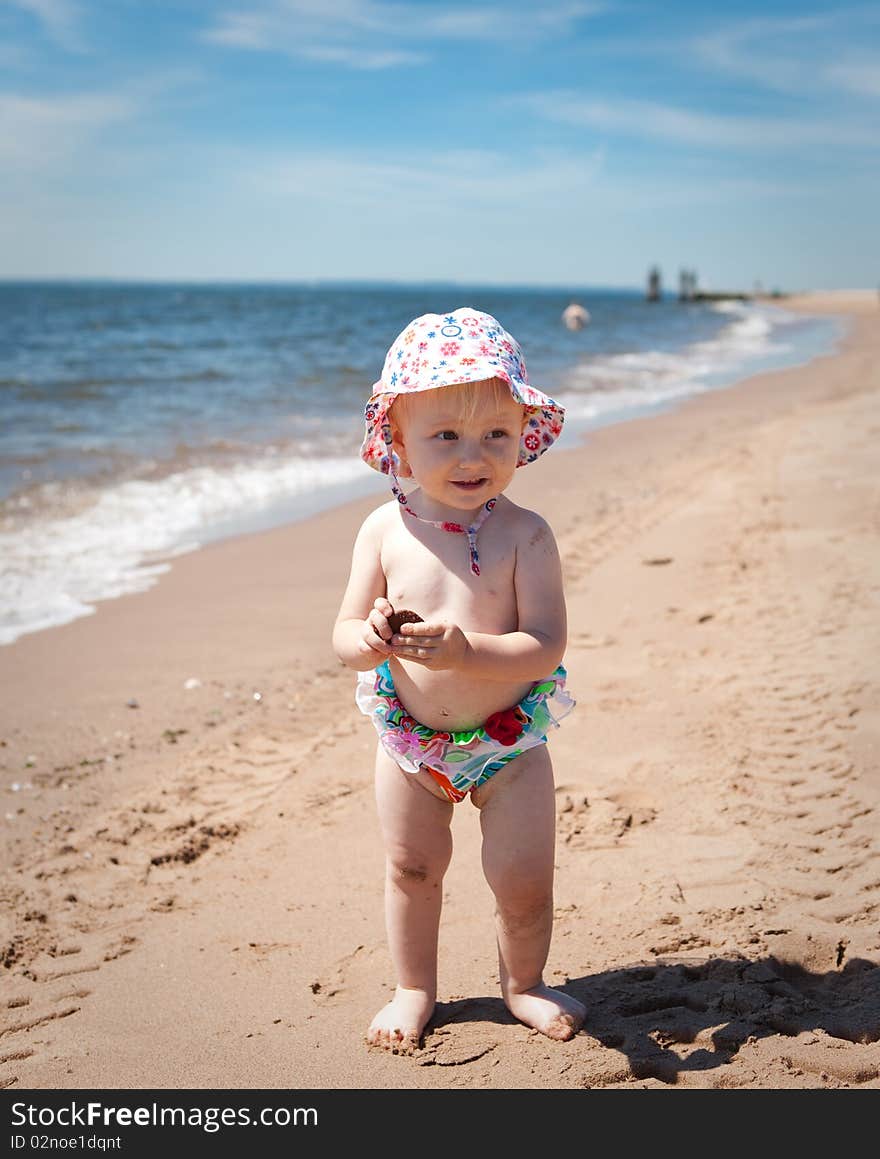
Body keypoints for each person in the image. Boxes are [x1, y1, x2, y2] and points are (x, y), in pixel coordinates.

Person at [332, 307, 586, 1053]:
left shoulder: (527, 534)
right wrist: (372, 638)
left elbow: (545, 643)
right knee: (412, 867)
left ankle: (525, 983)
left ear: (521, 437)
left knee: (523, 877)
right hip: (412, 746)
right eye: (446, 435)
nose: (473, 455)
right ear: (399, 441)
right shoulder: (383, 530)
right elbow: (344, 638)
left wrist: (467, 652)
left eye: (495, 435)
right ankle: (414, 988)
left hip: (510, 745)